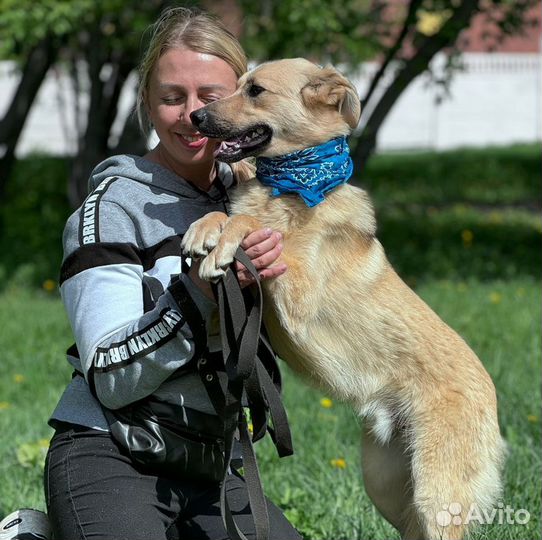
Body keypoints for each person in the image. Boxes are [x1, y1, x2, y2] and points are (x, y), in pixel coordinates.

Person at [43, 7, 301, 540]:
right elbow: (110, 376)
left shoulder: (252, 196)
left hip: (213, 463)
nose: (193, 115)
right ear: (147, 105)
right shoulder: (112, 209)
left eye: (212, 96)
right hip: (112, 450)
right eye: (172, 97)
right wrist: (199, 294)